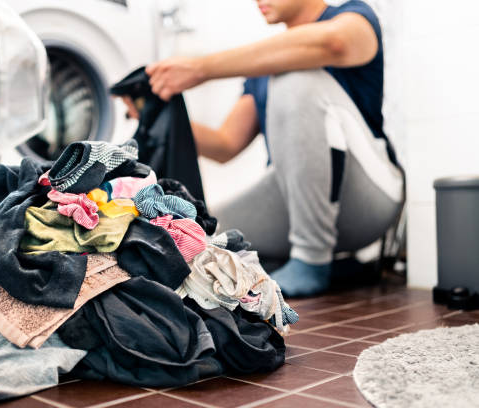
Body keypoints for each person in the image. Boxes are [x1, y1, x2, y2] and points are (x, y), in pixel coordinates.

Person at [123, 0, 404, 297]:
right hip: (297, 199)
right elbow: (225, 144)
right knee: (204, 238)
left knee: (294, 74)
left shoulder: (353, 17)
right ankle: (335, 268)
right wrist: (151, 114)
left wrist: (201, 68)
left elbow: (333, 43)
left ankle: (311, 258)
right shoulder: (262, 70)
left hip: (370, 197)